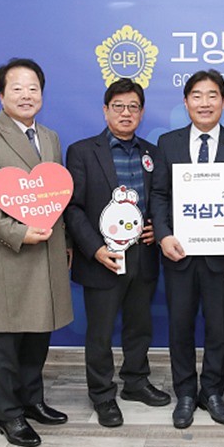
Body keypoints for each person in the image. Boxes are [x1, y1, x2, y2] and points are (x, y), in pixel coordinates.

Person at [0, 58, 73, 447]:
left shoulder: (50, 137)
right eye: (17, 88)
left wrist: (65, 244)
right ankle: (9, 414)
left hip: (48, 250)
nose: (27, 95)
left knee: (39, 332)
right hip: (9, 252)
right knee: (7, 340)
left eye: (33, 88)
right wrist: (18, 232)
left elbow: (57, 195)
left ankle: (32, 400)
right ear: (1, 94)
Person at [150, 69, 224, 429]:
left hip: (222, 259)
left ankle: (212, 392)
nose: (204, 103)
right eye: (197, 95)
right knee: (179, 326)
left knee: (218, 328)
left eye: (212, 96)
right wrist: (163, 235)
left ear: (223, 102)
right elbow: (159, 194)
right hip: (179, 253)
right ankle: (185, 393)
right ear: (185, 102)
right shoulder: (168, 143)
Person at [65, 78, 170, 428]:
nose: (126, 113)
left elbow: (160, 198)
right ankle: (102, 394)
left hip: (143, 254)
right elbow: (73, 208)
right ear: (105, 110)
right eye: (119, 106)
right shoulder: (82, 151)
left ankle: (136, 382)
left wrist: (159, 227)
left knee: (139, 326)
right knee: (100, 331)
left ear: (141, 112)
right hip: (102, 258)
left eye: (133, 107)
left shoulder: (152, 153)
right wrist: (95, 249)